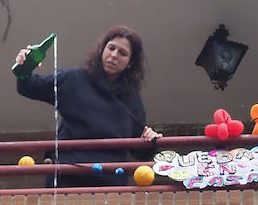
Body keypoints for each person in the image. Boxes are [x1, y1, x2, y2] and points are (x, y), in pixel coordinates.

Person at [14, 25, 161, 187]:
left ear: (130, 62)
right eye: (111, 48)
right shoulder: (72, 80)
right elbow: (28, 87)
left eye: (122, 53)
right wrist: (25, 67)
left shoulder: (132, 99)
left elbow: (141, 151)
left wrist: (150, 139)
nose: (114, 55)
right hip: (67, 178)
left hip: (110, 184)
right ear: (102, 50)